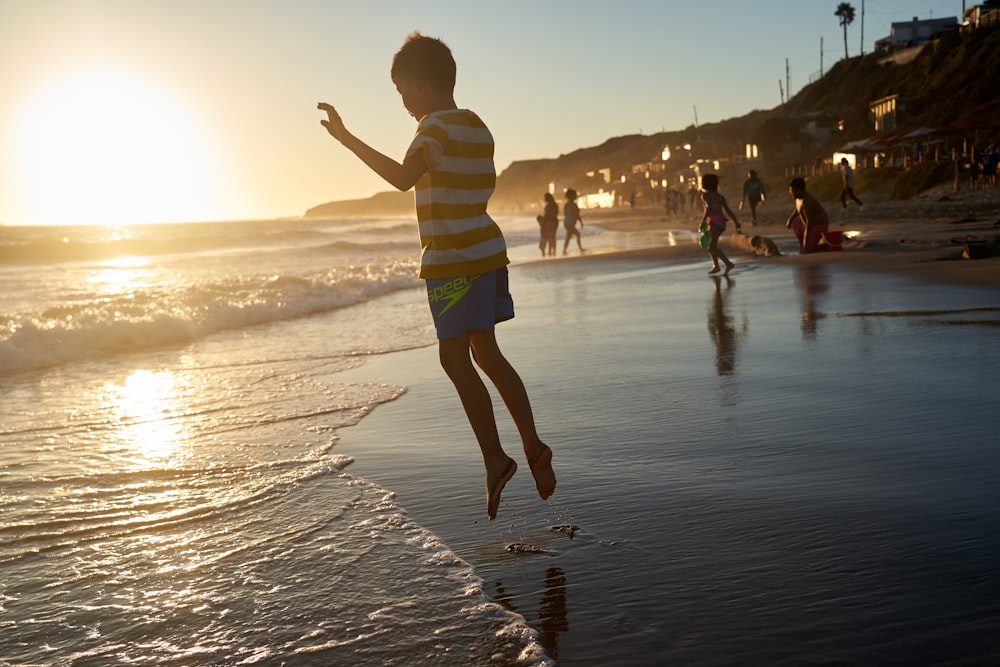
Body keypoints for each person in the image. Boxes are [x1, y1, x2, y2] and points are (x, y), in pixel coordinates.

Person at [317, 32, 555, 521]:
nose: (403, 102)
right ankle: (532, 445)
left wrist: (345, 139)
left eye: (403, 91)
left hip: (452, 261)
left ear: (421, 86)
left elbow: (405, 177)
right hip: (487, 254)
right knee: (486, 352)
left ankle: (495, 460)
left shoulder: (431, 131)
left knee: (454, 359)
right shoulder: (476, 126)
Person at [698, 174, 741, 274]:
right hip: (722, 222)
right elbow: (728, 210)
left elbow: (708, 208)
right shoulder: (720, 197)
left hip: (714, 222)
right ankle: (718, 265)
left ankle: (725, 264)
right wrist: (736, 222)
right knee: (712, 246)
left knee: (712, 247)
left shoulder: (705, 196)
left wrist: (702, 221)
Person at [786, 177, 830, 254]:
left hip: (818, 226)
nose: (793, 193)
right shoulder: (798, 198)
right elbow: (798, 210)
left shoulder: (807, 200)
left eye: (795, 191)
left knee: (808, 250)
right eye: (792, 190)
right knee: (795, 224)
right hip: (809, 225)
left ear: (802, 190)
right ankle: (803, 245)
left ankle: (818, 246)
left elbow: (810, 222)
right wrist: (790, 219)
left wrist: (806, 240)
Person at [562, 188, 585, 255]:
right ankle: (580, 248)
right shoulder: (574, 205)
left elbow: (565, 214)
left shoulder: (566, 205)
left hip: (567, 222)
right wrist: (581, 222)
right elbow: (577, 214)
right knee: (576, 234)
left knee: (569, 236)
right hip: (571, 222)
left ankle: (564, 250)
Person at [536, 192, 559, 257]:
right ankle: (552, 251)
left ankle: (550, 252)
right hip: (554, 221)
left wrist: (544, 220)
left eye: (545, 197)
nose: (544, 199)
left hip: (550, 222)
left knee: (550, 237)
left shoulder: (550, 205)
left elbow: (548, 214)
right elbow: (555, 213)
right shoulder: (554, 205)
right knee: (552, 237)